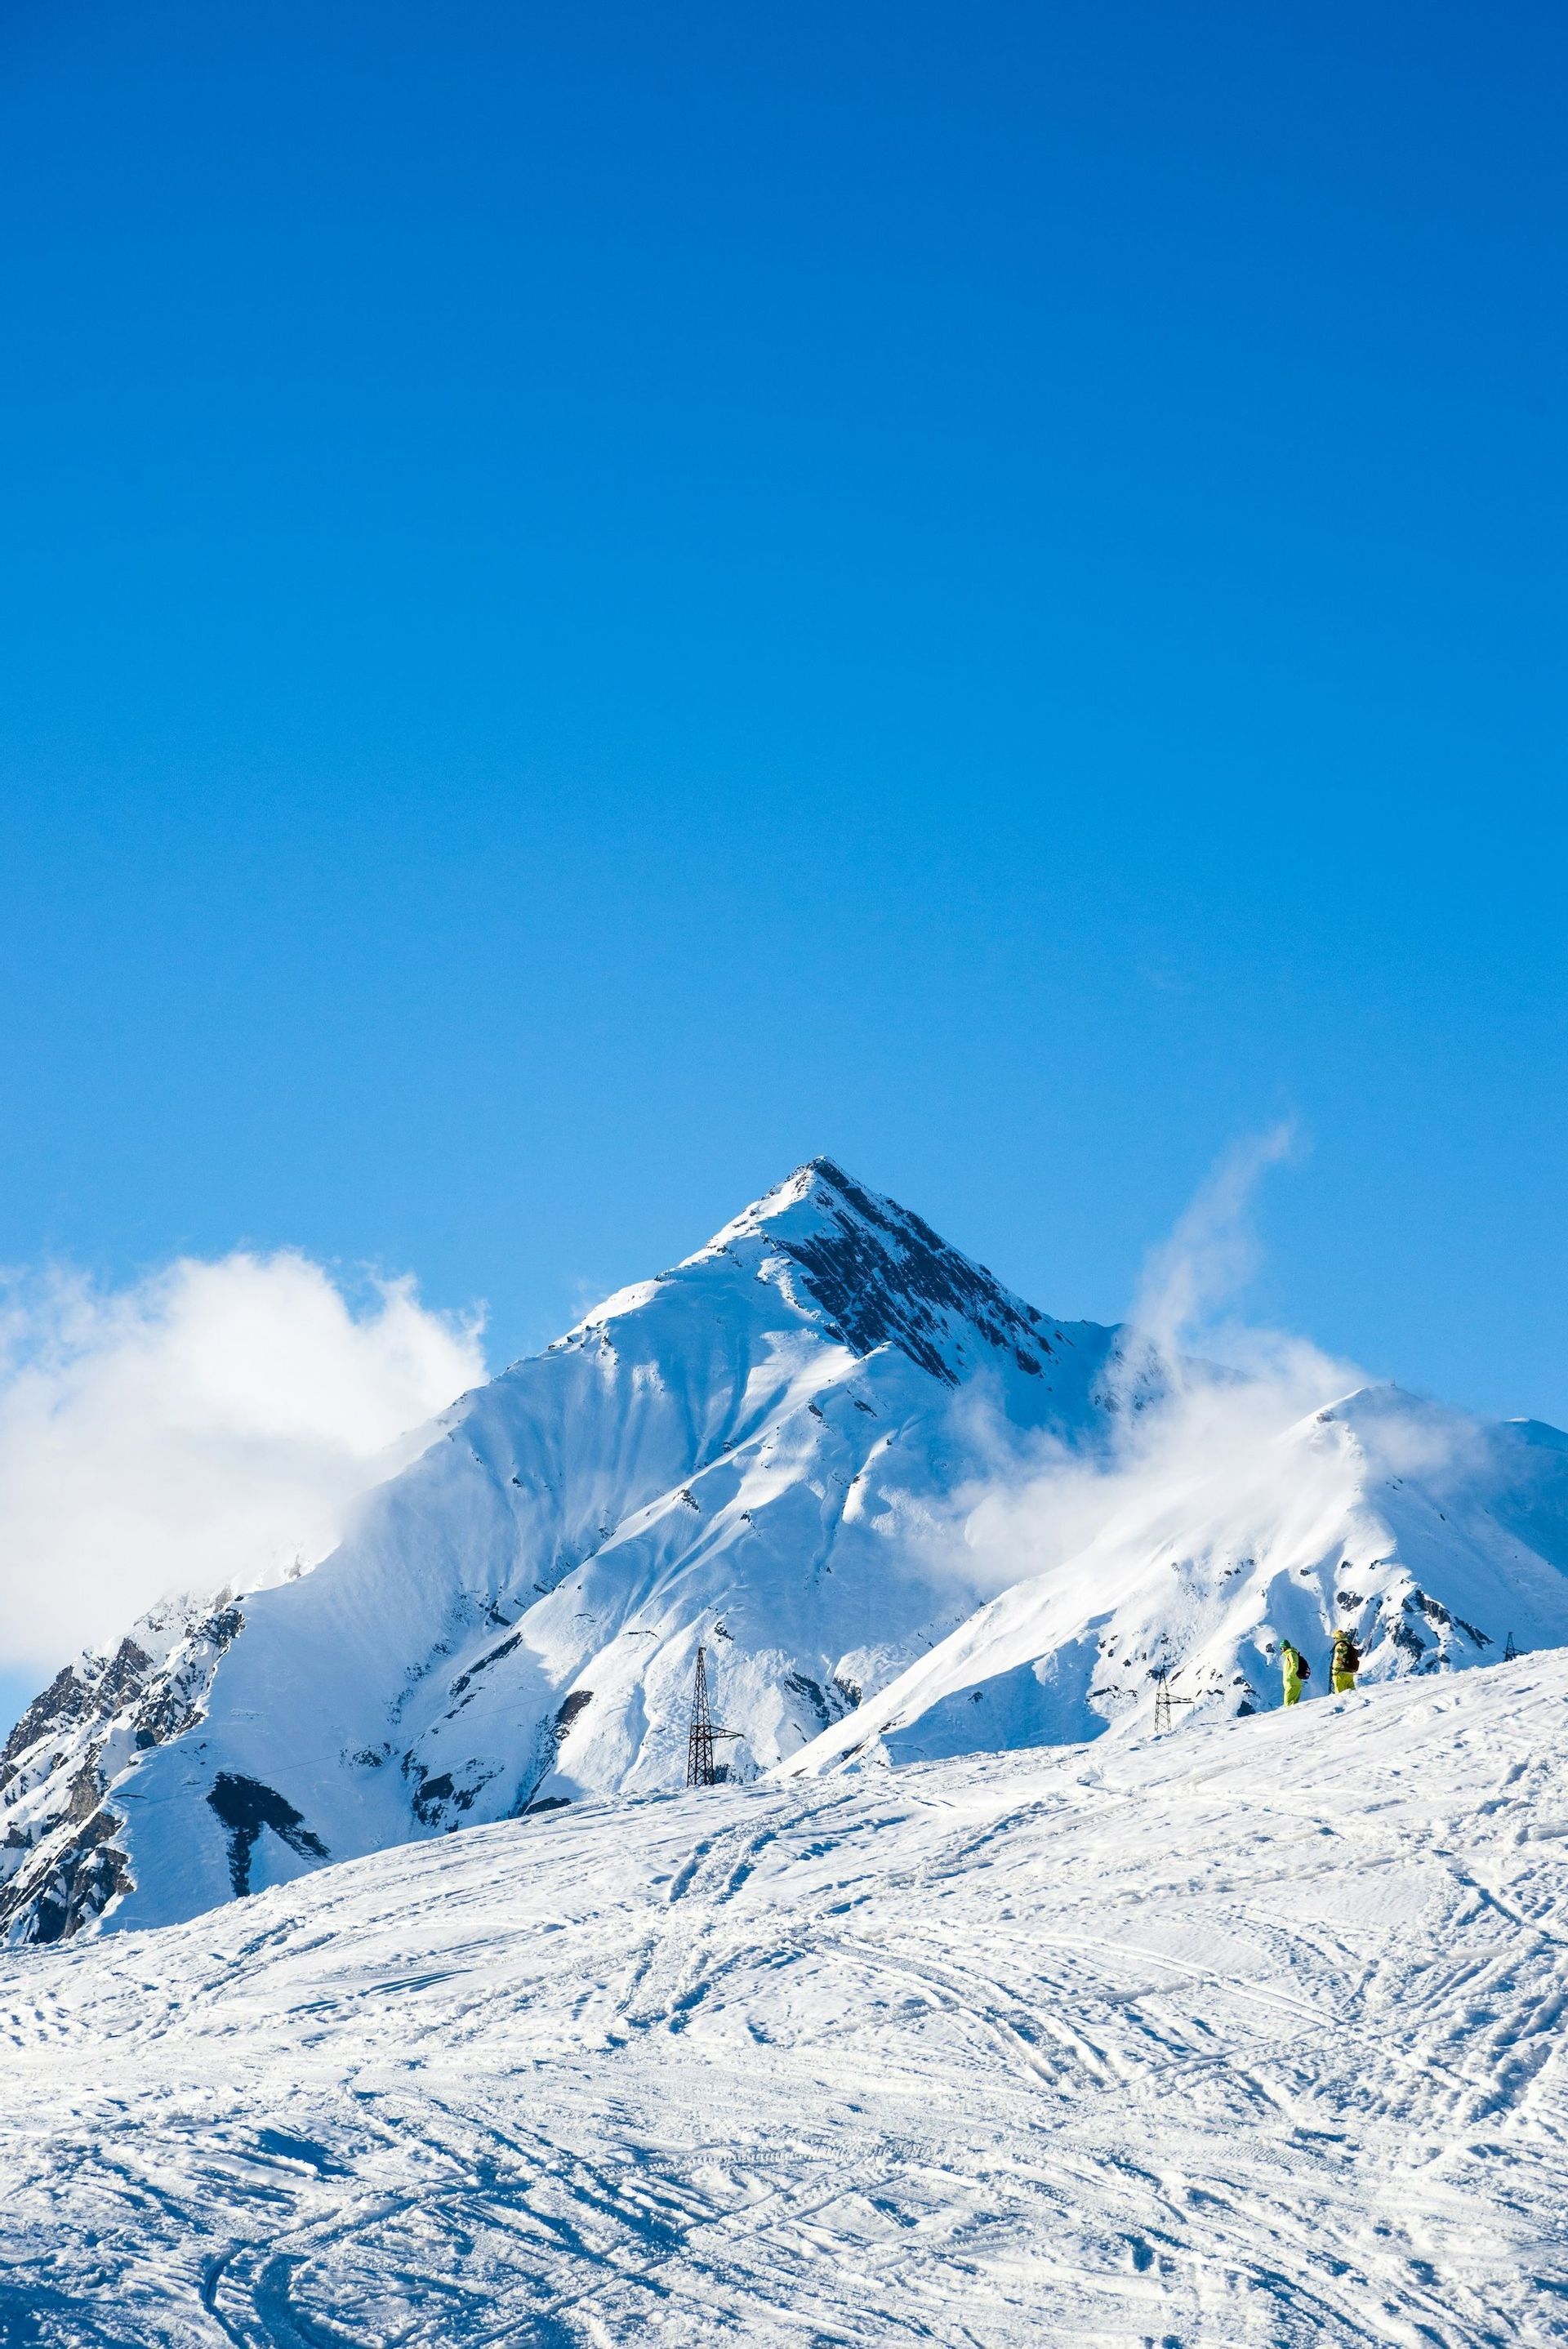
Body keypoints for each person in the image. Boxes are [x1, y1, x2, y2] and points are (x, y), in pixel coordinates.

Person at [1330, 1627, 1360, 1695]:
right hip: (1349, 1672)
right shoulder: (1349, 1644)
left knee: (1340, 1694)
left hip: (1340, 1673)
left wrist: (1336, 1670)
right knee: (1352, 1694)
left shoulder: (1340, 1645)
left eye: (1334, 1638)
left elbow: (1339, 1658)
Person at [1280, 1639, 1309, 1705]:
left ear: (1285, 1647)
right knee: (1293, 1705)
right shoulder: (1290, 1654)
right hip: (1292, 1683)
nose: (1281, 1650)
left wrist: (1290, 1675)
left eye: (1281, 1648)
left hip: (1292, 1683)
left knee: (1288, 1705)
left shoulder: (1291, 1654)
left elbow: (1295, 1665)